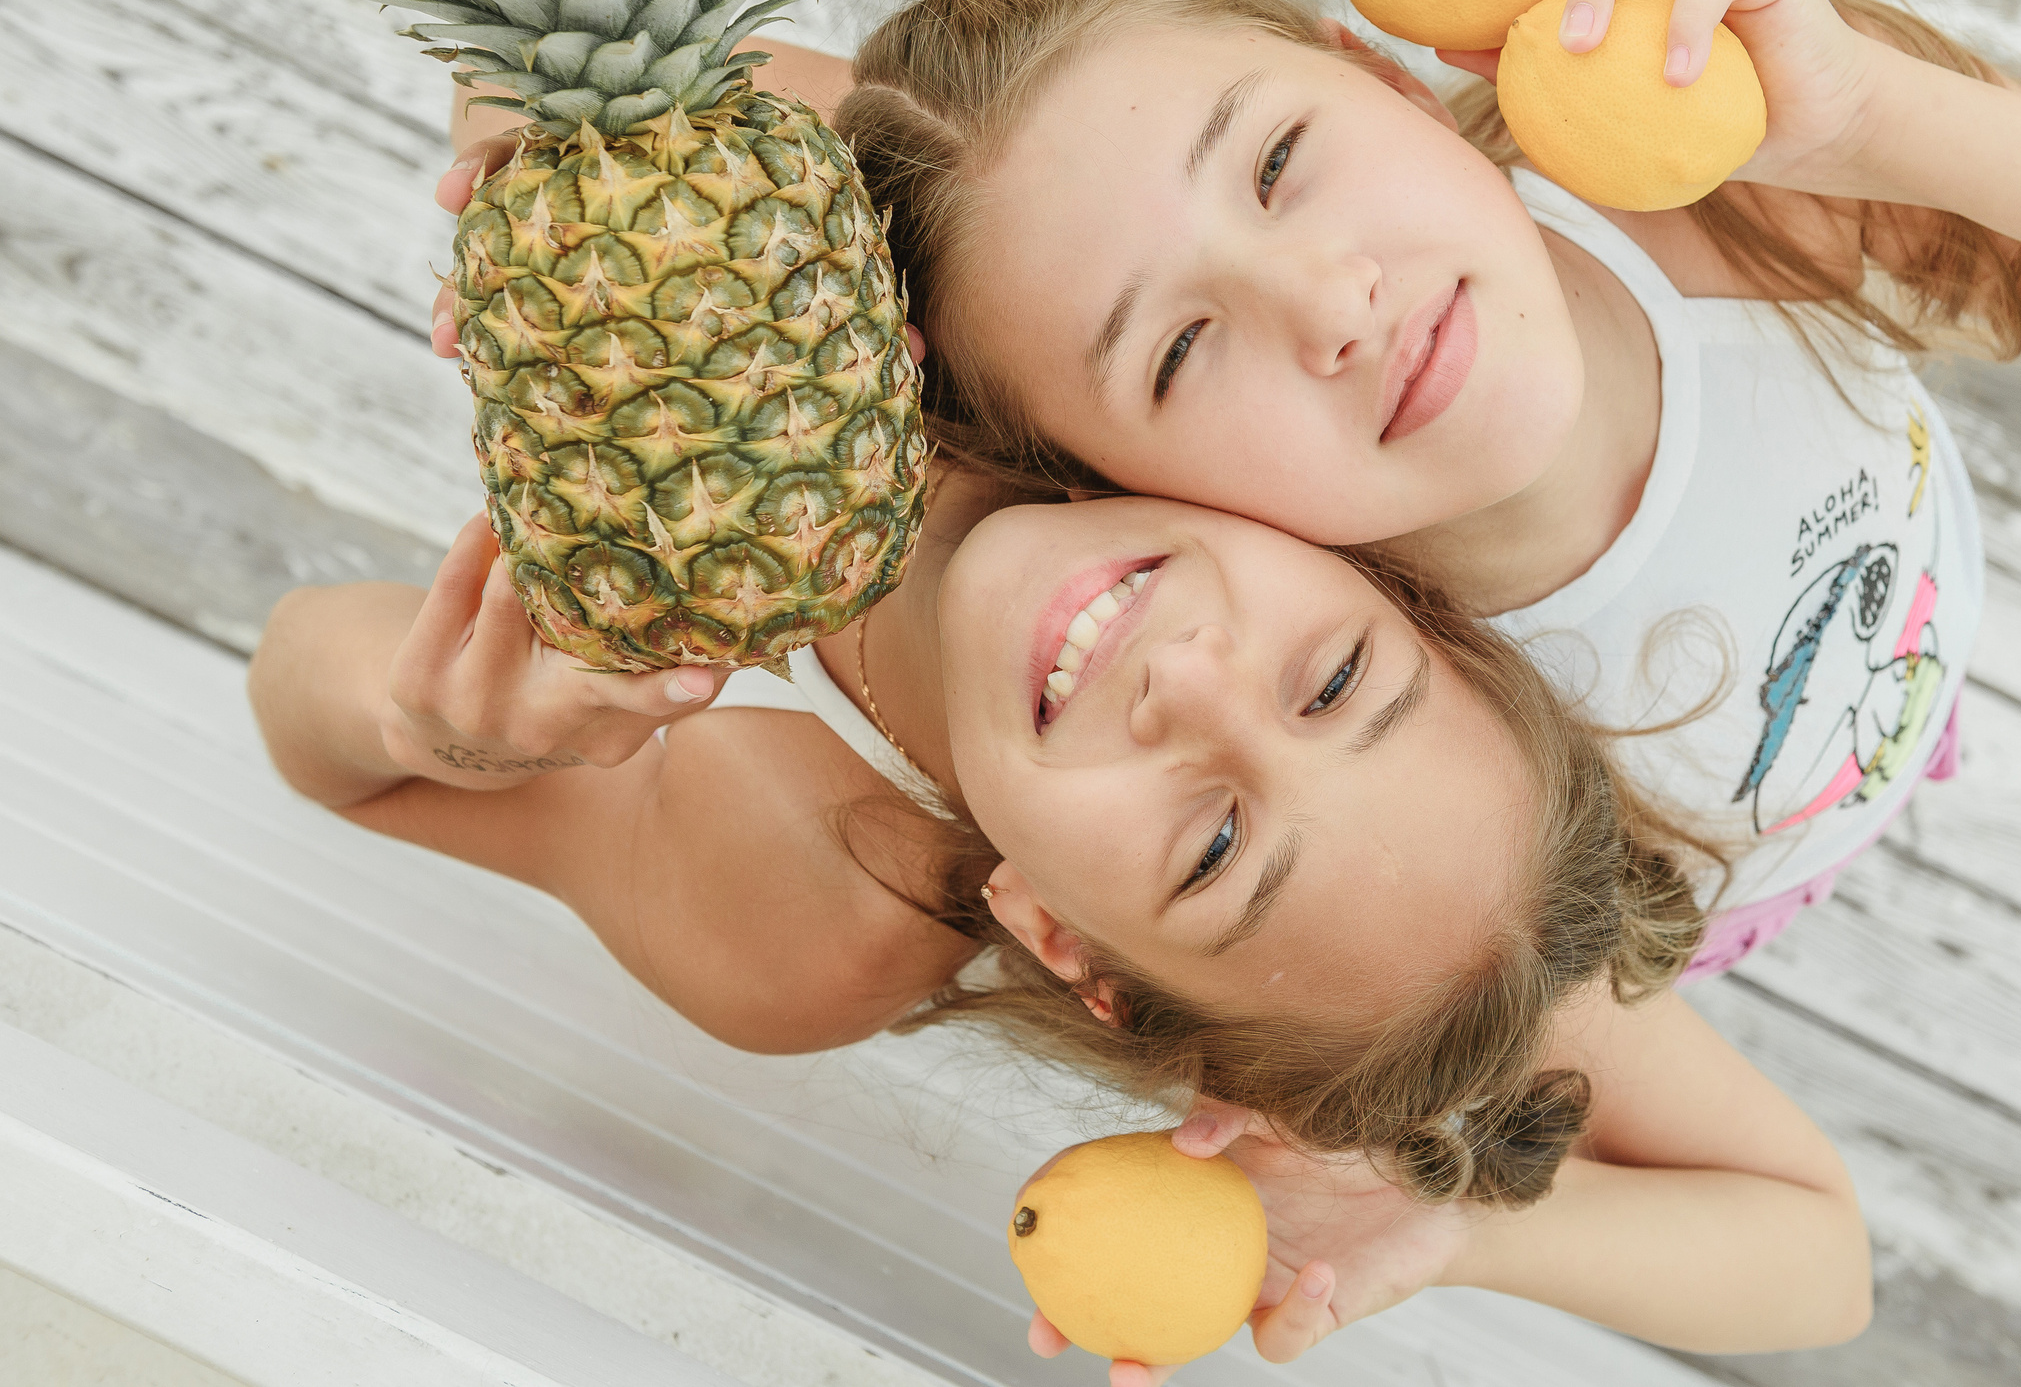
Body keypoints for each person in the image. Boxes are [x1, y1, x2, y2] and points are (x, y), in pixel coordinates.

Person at [437, 0, 2021, 975]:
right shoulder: (1319, 698)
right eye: (1178, 350)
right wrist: (587, 166)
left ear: (1375, 72)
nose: (1328, 305)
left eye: (1282, 161)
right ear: (1095, 477)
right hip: (1695, 904)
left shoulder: (1721, 198)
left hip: (1897, 654)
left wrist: (1889, 131)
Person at [251, 475, 1874, 1370]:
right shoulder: (1182, 400)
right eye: (1332, 678)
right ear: (1401, 593)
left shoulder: (807, 902)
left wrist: (441, 721)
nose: (1188, 682)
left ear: (1064, 941)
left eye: (1216, 843)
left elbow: (329, 741)